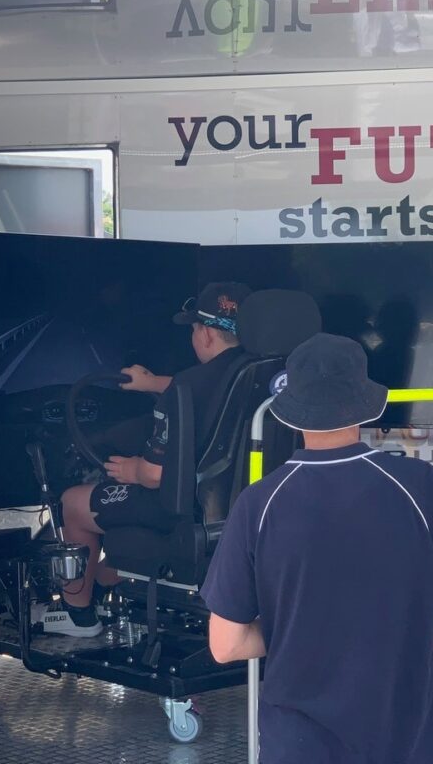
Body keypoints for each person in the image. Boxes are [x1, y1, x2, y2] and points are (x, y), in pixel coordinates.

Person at [201, 333, 433, 764]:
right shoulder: (419, 488)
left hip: (298, 746)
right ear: (367, 406)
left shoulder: (259, 503)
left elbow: (225, 645)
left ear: (292, 415)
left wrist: (298, 625)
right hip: (406, 741)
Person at [43, 281, 252, 637]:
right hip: (235, 504)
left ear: (204, 334)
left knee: (74, 503)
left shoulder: (186, 386)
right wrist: (153, 383)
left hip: (183, 509)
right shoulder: (257, 372)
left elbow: (154, 475)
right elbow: (205, 386)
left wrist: (131, 469)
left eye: (193, 330)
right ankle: (106, 583)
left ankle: (78, 616)